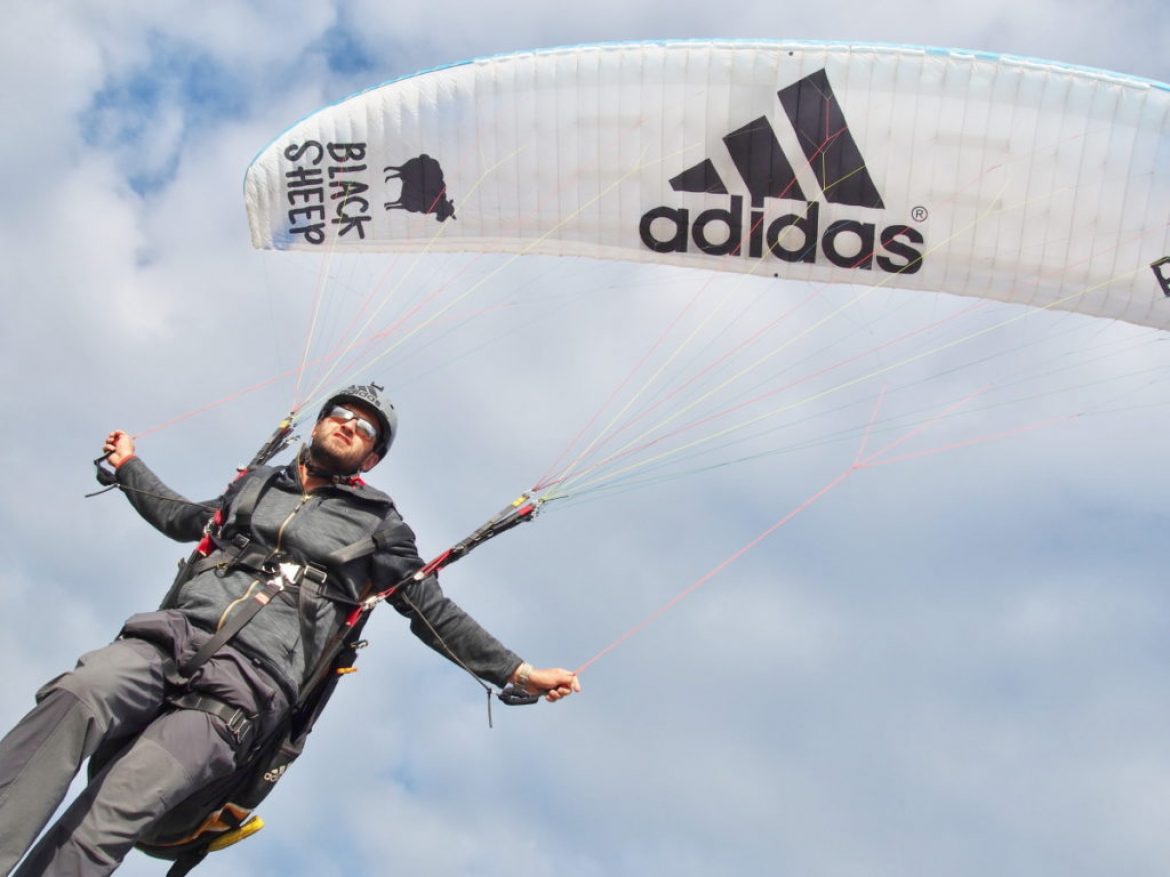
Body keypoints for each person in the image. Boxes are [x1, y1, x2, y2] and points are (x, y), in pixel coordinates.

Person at [0, 384, 580, 876]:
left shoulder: (382, 525)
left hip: (247, 686)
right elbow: (180, 518)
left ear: (372, 459)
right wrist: (129, 467)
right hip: (170, 638)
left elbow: (428, 607)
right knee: (77, 695)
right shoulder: (256, 486)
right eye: (342, 415)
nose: (351, 426)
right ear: (321, 423)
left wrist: (517, 671)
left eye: (367, 429)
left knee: (115, 807)